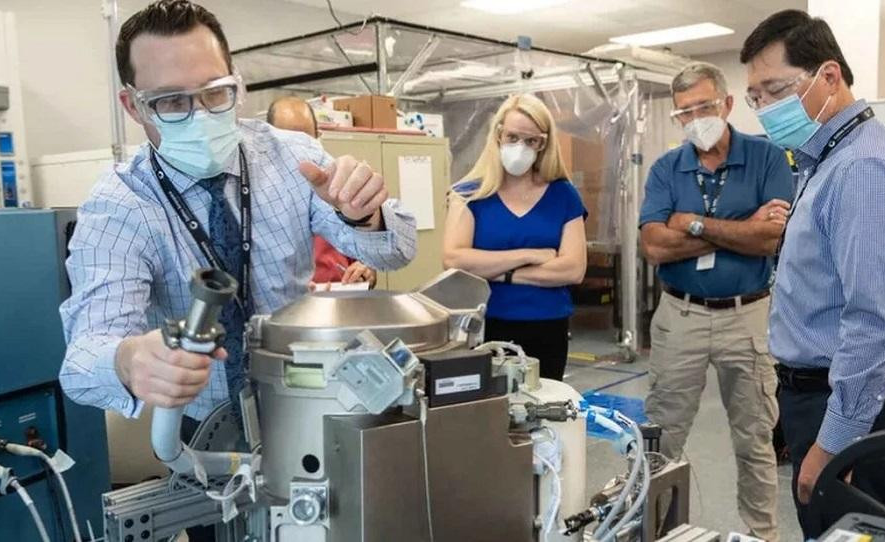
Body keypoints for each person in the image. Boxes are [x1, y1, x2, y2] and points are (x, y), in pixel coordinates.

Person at [58, 0, 415, 429]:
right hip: (204, 424)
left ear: (237, 85)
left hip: (306, 398)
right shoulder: (121, 204)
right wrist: (127, 359)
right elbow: (80, 363)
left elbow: (398, 252)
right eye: (171, 101)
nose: (202, 116)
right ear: (133, 106)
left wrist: (364, 217)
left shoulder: (292, 156)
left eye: (215, 92)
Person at [741, 10, 885, 537]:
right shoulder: (827, 159)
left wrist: (835, 441)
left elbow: (874, 324)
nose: (764, 109)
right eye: (755, 98)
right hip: (834, 396)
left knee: (853, 535)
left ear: (828, 76)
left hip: (864, 408)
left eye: (774, 91)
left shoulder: (863, 169)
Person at [638, 61, 793, 542]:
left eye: (704, 106)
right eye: (684, 112)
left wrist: (695, 223)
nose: (696, 118)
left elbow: (771, 238)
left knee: (755, 439)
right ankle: (655, 529)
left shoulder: (767, 158)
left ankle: (761, 534)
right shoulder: (667, 168)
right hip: (680, 314)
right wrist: (740, 229)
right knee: (663, 436)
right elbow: (654, 246)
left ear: (726, 104)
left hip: (747, 316)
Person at [443, 93, 587, 381]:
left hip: (548, 326)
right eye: (512, 137)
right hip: (485, 325)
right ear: (498, 135)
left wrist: (499, 272)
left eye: (531, 140)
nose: (520, 147)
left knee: (542, 408)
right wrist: (528, 255)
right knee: (491, 414)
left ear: (543, 144)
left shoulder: (563, 195)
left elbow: (573, 269)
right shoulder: (470, 194)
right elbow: (455, 260)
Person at [267, 96, 376, 288]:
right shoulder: (258, 202)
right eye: (286, 139)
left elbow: (367, 255)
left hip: (339, 307)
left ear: (318, 136)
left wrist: (366, 270)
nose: (296, 149)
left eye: (305, 139)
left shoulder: (338, 188)